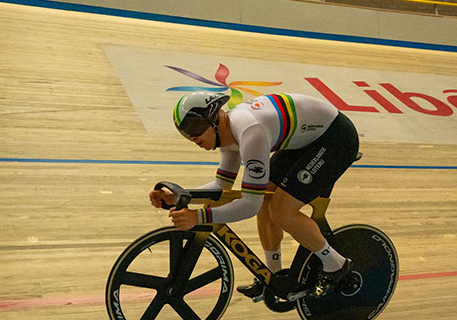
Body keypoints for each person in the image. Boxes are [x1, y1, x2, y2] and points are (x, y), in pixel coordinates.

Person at [149, 91, 359, 299]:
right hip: (304, 139)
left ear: (213, 119)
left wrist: (198, 217)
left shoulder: (250, 133)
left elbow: (249, 204)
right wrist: (177, 196)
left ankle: (335, 264)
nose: (192, 137)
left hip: (335, 139)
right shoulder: (227, 134)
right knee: (267, 200)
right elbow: (221, 187)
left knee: (281, 211)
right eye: (186, 133)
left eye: (194, 129)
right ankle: (273, 276)